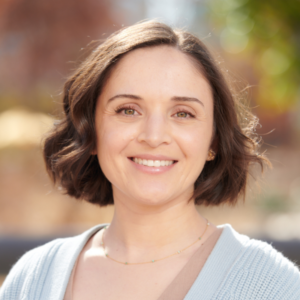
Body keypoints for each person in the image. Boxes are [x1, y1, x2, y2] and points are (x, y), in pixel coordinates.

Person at [1, 20, 299, 300]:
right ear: (90, 131)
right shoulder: (32, 279)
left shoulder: (273, 287)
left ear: (214, 141)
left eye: (183, 113)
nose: (154, 136)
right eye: (128, 110)